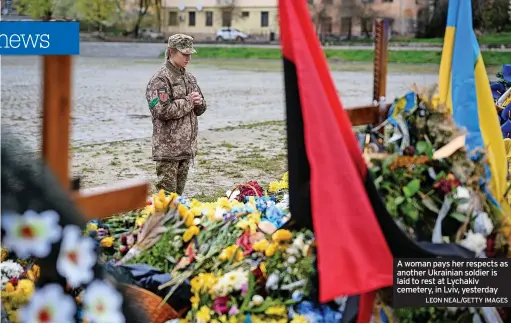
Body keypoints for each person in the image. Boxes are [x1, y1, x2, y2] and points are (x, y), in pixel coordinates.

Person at [145, 34, 207, 195]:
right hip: (168, 150)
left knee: (178, 198)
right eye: (184, 54)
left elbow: (200, 109)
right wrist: (189, 101)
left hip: (186, 149)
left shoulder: (190, 78)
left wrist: (199, 102)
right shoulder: (160, 79)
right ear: (172, 51)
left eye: (190, 54)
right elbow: (162, 111)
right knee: (166, 199)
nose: (188, 58)